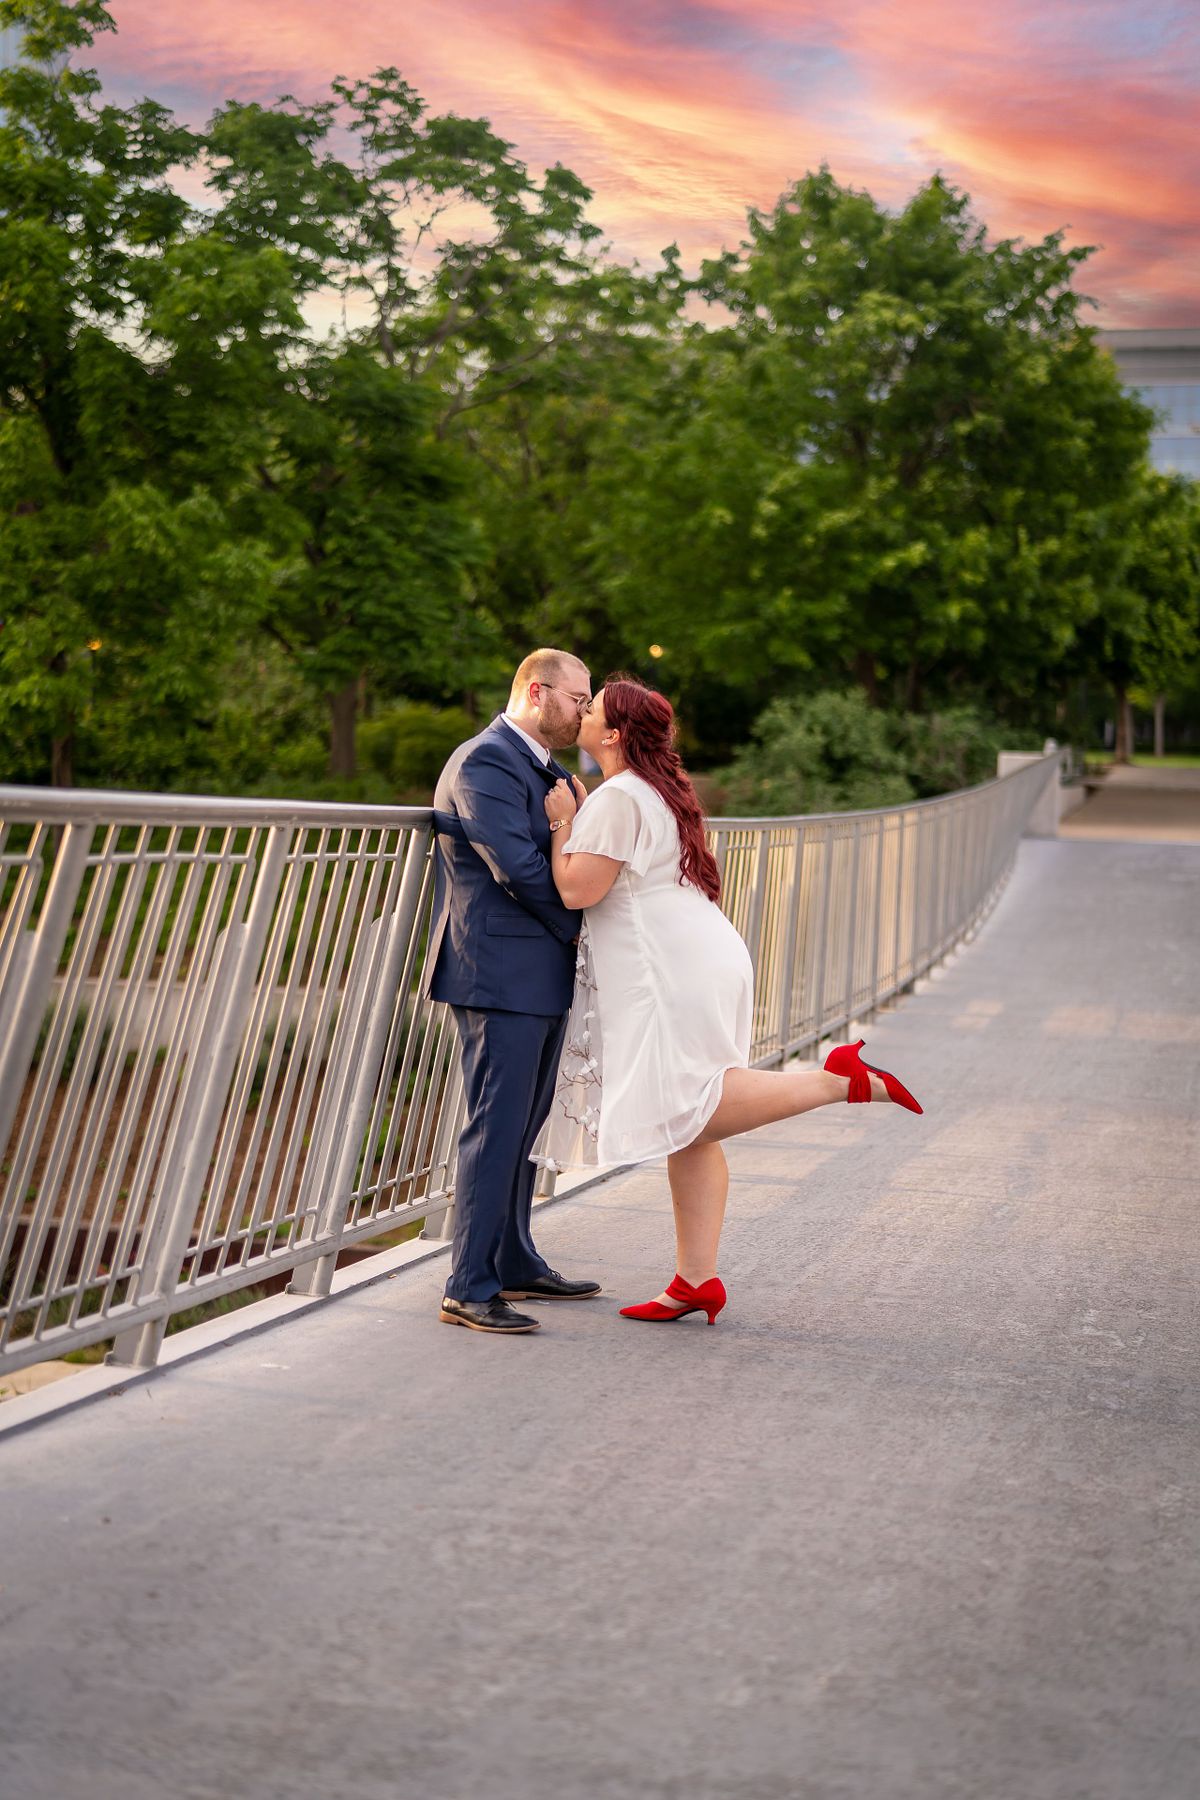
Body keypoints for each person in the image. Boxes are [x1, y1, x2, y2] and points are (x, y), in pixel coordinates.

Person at [540, 675, 922, 1326]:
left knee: (696, 1101)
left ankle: (838, 1081)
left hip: (666, 968)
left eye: (592, 708)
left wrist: (561, 825)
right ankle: (696, 1280)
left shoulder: (615, 798)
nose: (581, 712)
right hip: (700, 952)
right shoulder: (663, 792)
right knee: (690, 1126)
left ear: (612, 734)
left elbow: (577, 890)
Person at [424, 648, 604, 1334]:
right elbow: (519, 871)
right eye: (577, 698)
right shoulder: (485, 761)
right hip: (497, 972)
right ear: (538, 691)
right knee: (494, 1126)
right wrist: (586, 922)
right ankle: (467, 1285)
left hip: (540, 971)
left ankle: (514, 1258)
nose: (583, 711)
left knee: (525, 1126)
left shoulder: (546, 768)